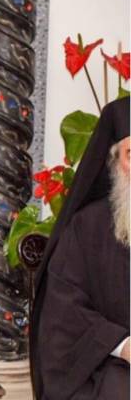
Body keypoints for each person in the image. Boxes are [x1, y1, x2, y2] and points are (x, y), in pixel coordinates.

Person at [30, 97, 130, 399]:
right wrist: (124, 345)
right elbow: (63, 313)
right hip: (110, 368)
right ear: (115, 162)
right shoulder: (87, 227)